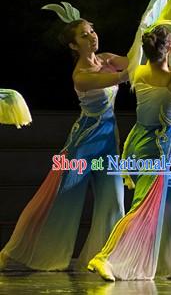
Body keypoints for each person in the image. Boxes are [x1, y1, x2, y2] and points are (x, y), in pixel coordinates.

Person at [87, 24, 171, 281]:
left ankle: (169, 264)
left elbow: (170, 74)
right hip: (153, 155)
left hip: (139, 147)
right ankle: (103, 257)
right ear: (170, 48)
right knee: (140, 208)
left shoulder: (139, 72)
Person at [0, 15, 128, 271]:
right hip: (85, 143)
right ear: (73, 46)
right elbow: (124, 76)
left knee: (114, 201)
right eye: (84, 35)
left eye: (92, 31)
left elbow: (134, 62)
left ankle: (106, 259)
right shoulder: (81, 76)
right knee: (61, 200)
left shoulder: (107, 59)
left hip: (108, 143)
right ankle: (20, 253)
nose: (92, 36)